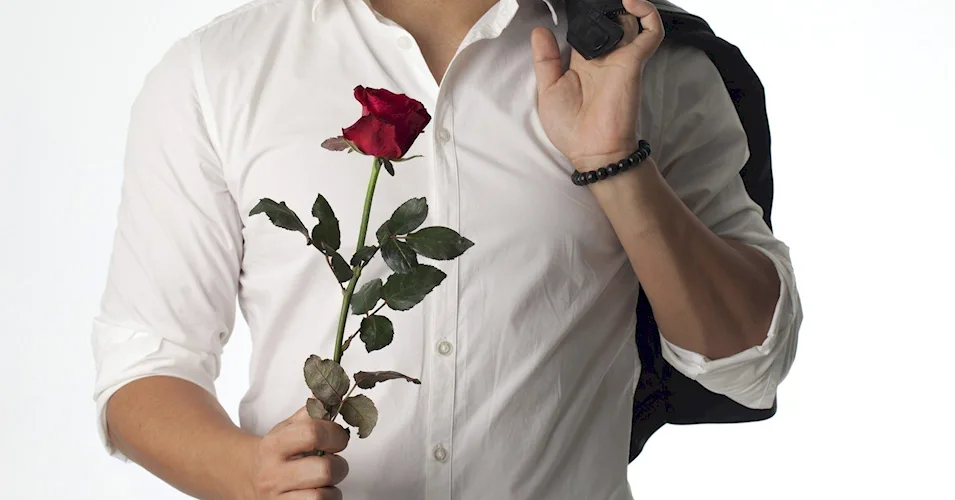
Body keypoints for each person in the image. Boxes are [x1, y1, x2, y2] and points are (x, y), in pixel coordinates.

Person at [91, 0, 802, 498]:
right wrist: (247, 476)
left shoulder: (647, 60)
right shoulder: (218, 73)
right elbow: (146, 365)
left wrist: (615, 163)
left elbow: (748, 363)